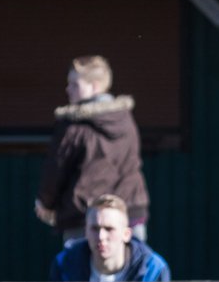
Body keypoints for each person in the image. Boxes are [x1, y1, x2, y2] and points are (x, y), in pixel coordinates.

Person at [35, 55, 150, 243]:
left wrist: (45, 203)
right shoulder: (126, 120)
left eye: (74, 84)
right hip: (131, 212)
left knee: (79, 271)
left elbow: (56, 168)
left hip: (85, 217)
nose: (68, 89)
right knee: (133, 270)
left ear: (95, 86)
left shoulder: (74, 125)